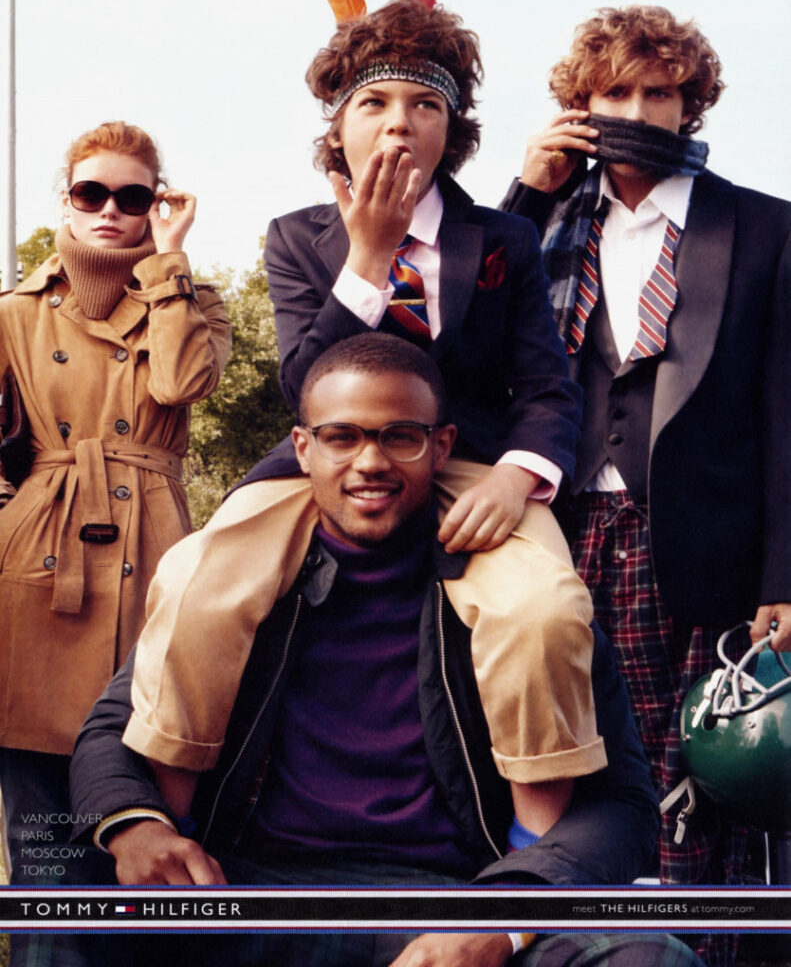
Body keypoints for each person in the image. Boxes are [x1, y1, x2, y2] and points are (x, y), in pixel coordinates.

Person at [122, 0, 606, 840]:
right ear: (337, 129)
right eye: (373, 103)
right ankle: (175, 827)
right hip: (323, 463)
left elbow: (546, 386)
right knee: (196, 584)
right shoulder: (296, 237)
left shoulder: (502, 238)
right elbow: (302, 382)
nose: (398, 124)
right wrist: (369, 256)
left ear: (452, 131)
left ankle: (533, 847)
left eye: (424, 105)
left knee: (540, 609)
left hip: (468, 466)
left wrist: (516, 475)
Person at [70, 334, 699, 967]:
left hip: (461, 900)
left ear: (442, 447)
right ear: (303, 449)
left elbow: (623, 805)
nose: (369, 462)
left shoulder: (527, 599)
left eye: (400, 437)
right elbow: (111, 730)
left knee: (649, 960)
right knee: (59, 903)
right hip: (249, 893)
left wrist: (504, 917)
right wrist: (137, 826)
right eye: (341, 437)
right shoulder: (230, 589)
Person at [500, 5, 791, 967]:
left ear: (688, 103)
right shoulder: (541, 224)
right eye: (613, 92)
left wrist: (782, 576)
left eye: (656, 92)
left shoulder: (763, 226)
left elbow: (785, 412)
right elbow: (472, 322)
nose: (634, 111)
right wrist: (526, 189)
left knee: (703, 770)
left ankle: (698, 952)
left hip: (706, 542)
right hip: (561, 529)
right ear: (579, 107)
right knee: (579, 764)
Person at [0, 120, 231, 917]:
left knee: (150, 778)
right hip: (40, 553)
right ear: (65, 200)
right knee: (43, 835)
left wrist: (168, 263)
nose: (109, 210)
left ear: (155, 205)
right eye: (91, 192)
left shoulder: (189, 298)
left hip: (155, 550)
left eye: (132, 197)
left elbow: (180, 386)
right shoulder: (15, 312)